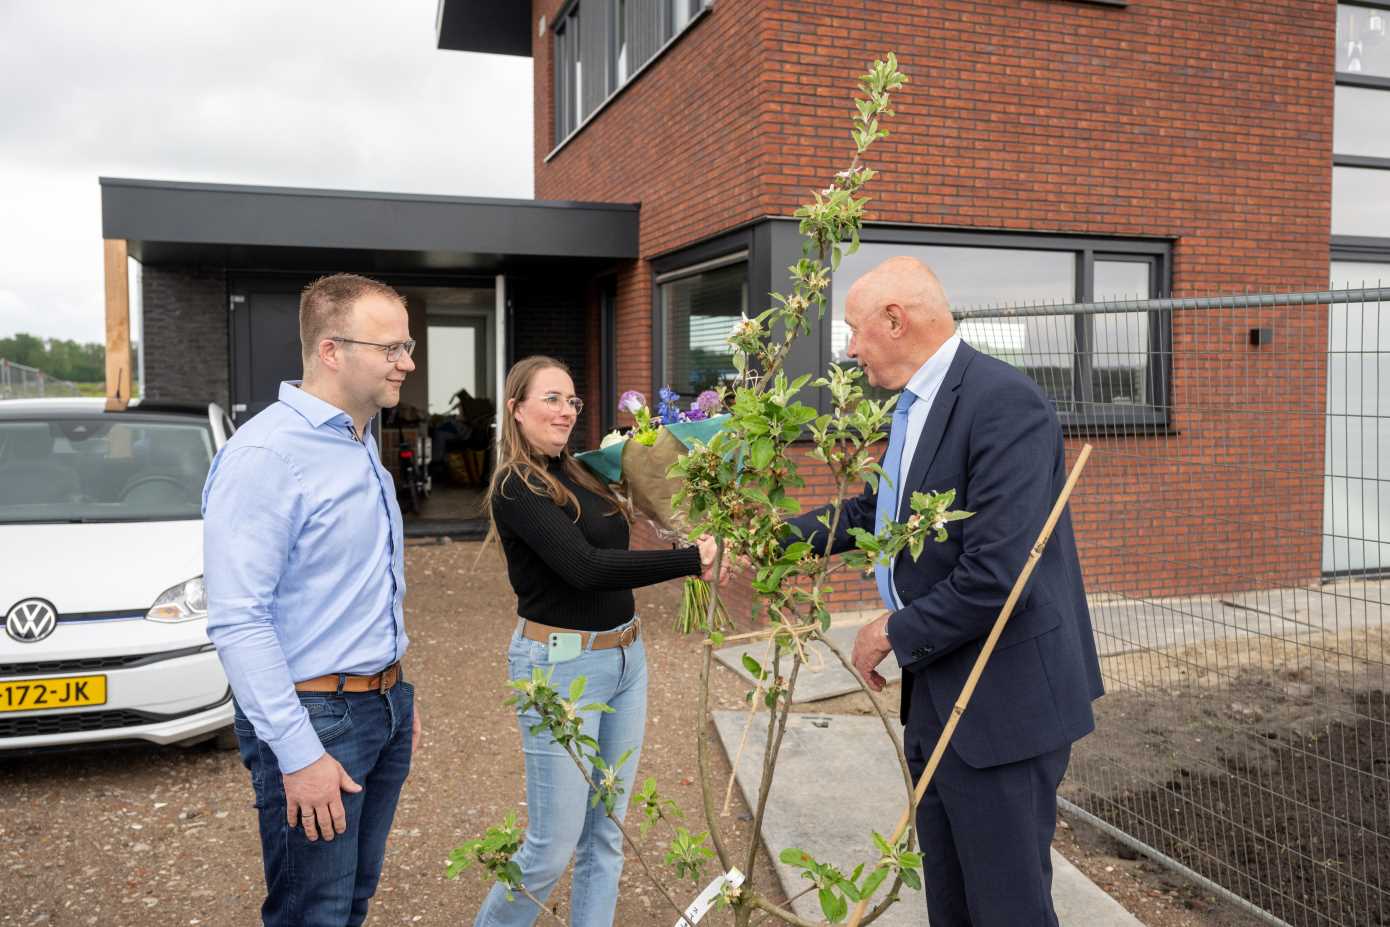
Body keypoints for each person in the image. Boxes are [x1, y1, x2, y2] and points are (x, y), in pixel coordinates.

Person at [786, 256, 1104, 926]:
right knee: (953, 903)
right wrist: (769, 542)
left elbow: (999, 575)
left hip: (1003, 704)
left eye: (854, 330)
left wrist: (891, 631)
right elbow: (879, 510)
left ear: (895, 321)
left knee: (1007, 907)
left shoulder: (1002, 403)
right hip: (939, 692)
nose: (849, 349)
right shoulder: (916, 405)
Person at [203, 273, 422, 927]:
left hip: (380, 708)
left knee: (350, 901)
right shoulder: (266, 454)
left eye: (406, 345)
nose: (408, 362)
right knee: (313, 913)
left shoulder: (359, 447)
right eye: (392, 348)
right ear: (331, 350)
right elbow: (239, 619)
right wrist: (299, 754)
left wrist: (393, 698)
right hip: (314, 719)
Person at [475, 355, 721, 927]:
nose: (566, 411)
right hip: (561, 666)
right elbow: (583, 567)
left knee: (606, 833)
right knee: (549, 849)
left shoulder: (582, 471)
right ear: (516, 408)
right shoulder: (517, 485)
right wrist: (691, 560)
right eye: (551, 399)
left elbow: (631, 520)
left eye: (572, 401)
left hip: (625, 656)